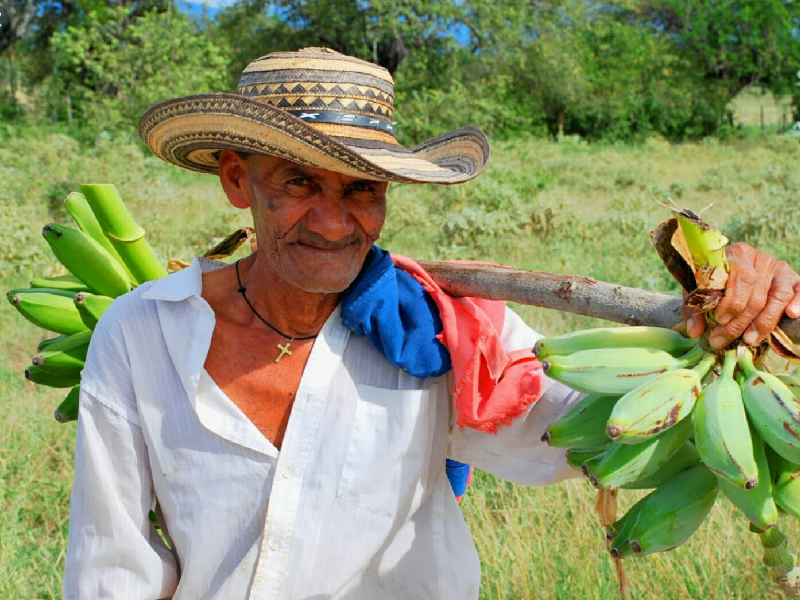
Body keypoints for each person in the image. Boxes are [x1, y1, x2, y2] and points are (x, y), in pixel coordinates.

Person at [63, 47, 800, 600]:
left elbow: (582, 433)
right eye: (297, 183)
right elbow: (111, 566)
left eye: (361, 189)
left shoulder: (439, 330)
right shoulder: (142, 335)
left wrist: (729, 304)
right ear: (236, 180)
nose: (331, 220)